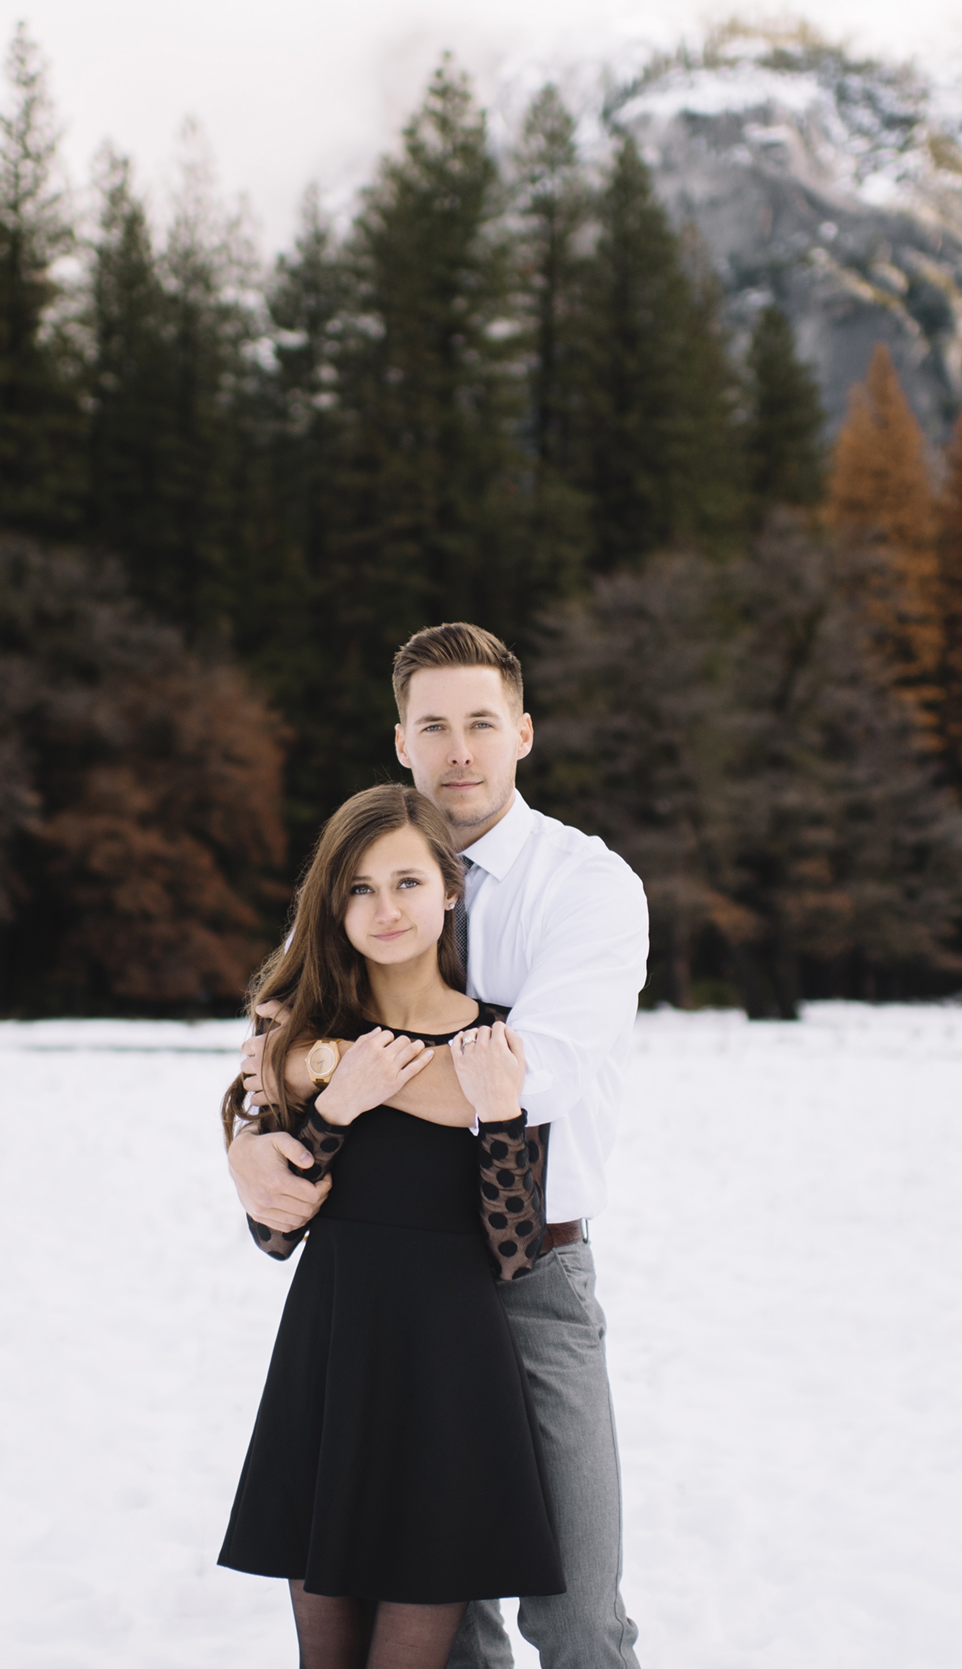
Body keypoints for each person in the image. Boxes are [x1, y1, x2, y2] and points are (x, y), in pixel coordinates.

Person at [232, 623, 649, 1669]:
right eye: (433, 726)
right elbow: (269, 1040)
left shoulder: (587, 885)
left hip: (531, 1266)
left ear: (521, 731)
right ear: (400, 742)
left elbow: (524, 1081)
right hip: (380, 1285)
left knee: (579, 1604)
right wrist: (246, 1136)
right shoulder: (362, 870)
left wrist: (335, 1066)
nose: (458, 749)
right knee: (437, 1615)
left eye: (479, 723)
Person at [217, 783, 562, 1668]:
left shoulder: (495, 1043)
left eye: (407, 882)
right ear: (333, 905)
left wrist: (500, 1121)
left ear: (450, 890)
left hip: (449, 1375)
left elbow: (517, 1249)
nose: (386, 908)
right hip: (330, 1361)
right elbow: (273, 1233)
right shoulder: (305, 1036)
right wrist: (335, 1102)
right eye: (360, 888)